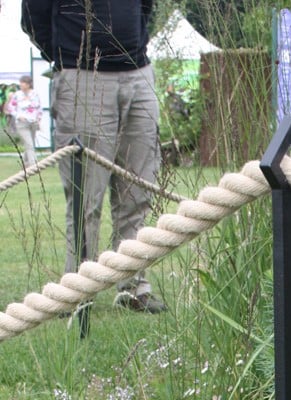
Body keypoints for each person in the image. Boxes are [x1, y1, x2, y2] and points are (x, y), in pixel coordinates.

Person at [22, 0, 167, 313]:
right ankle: (78, 290)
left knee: (138, 191)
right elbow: (34, 18)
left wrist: (135, 45)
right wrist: (69, 58)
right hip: (83, 75)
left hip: (138, 71)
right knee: (86, 196)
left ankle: (132, 286)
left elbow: (146, 8)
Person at [4, 76, 41, 166]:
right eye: (20, 83)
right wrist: (18, 116)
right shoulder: (17, 95)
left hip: (33, 122)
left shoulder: (34, 94)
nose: (21, 85)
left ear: (28, 84)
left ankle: (26, 162)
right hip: (21, 123)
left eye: (23, 83)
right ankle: (33, 164)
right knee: (29, 143)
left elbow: (38, 107)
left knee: (30, 142)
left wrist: (39, 119)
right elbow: (10, 108)